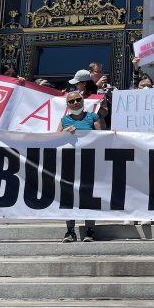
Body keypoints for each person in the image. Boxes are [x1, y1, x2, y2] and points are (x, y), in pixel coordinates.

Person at [59, 90, 102, 243]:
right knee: (69, 196)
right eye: (71, 101)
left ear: (83, 101)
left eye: (78, 99)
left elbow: (102, 136)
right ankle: (70, 231)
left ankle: (90, 230)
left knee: (88, 195)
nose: (75, 103)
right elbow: (55, 139)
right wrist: (64, 132)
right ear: (67, 105)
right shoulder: (64, 120)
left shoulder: (93, 117)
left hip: (89, 161)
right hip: (70, 162)